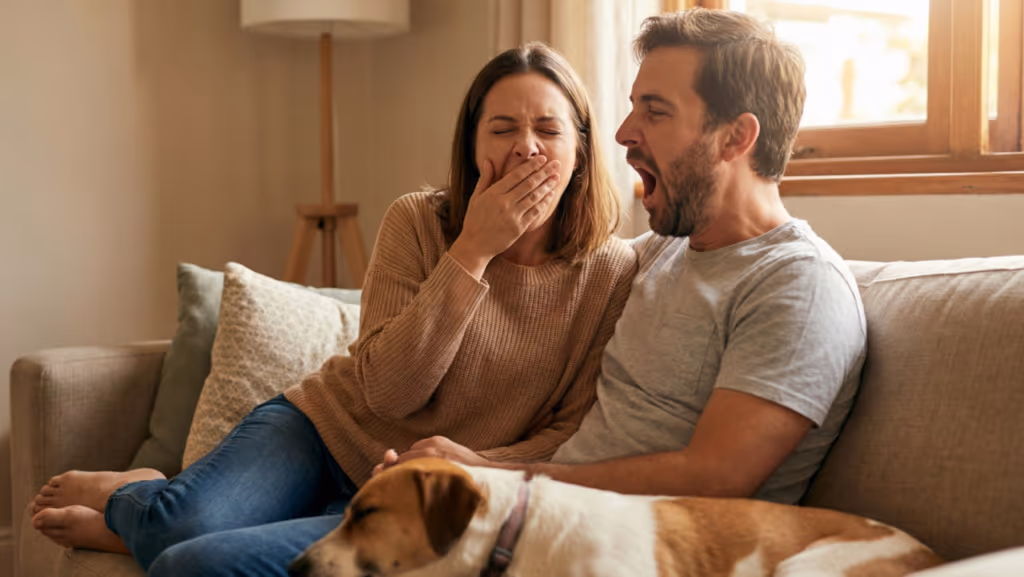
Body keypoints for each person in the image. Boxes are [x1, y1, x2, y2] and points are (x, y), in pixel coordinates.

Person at [30, 42, 637, 576]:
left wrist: (473, 463)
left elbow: (571, 429)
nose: (526, 148)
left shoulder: (609, 270)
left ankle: (177, 504)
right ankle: (144, 497)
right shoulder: (419, 221)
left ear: (581, 151)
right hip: (323, 430)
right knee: (176, 527)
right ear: (474, 144)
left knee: (191, 563)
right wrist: (473, 252)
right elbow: (389, 394)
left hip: (420, 485)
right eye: (502, 128)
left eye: (549, 130)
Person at [382, 8, 867, 507]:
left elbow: (716, 479)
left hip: (609, 535)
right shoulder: (658, 253)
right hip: (541, 516)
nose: (622, 133)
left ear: (736, 137)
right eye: (634, 107)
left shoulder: (799, 285)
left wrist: (493, 475)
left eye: (655, 112)